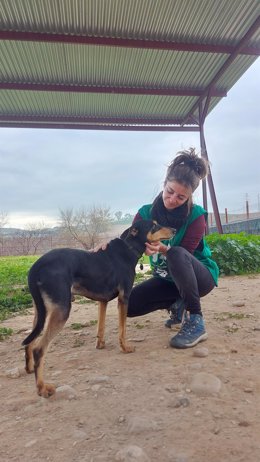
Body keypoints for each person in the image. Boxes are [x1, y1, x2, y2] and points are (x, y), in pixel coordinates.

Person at [127, 147, 219, 349]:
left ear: (189, 197)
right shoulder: (144, 213)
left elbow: (181, 255)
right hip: (166, 279)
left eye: (180, 197)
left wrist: (162, 249)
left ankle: (196, 319)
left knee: (175, 252)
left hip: (199, 278)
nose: (172, 199)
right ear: (164, 184)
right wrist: (107, 247)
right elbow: (127, 244)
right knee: (127, 305)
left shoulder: (197, 217)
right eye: (170, 191)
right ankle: (176, 303)